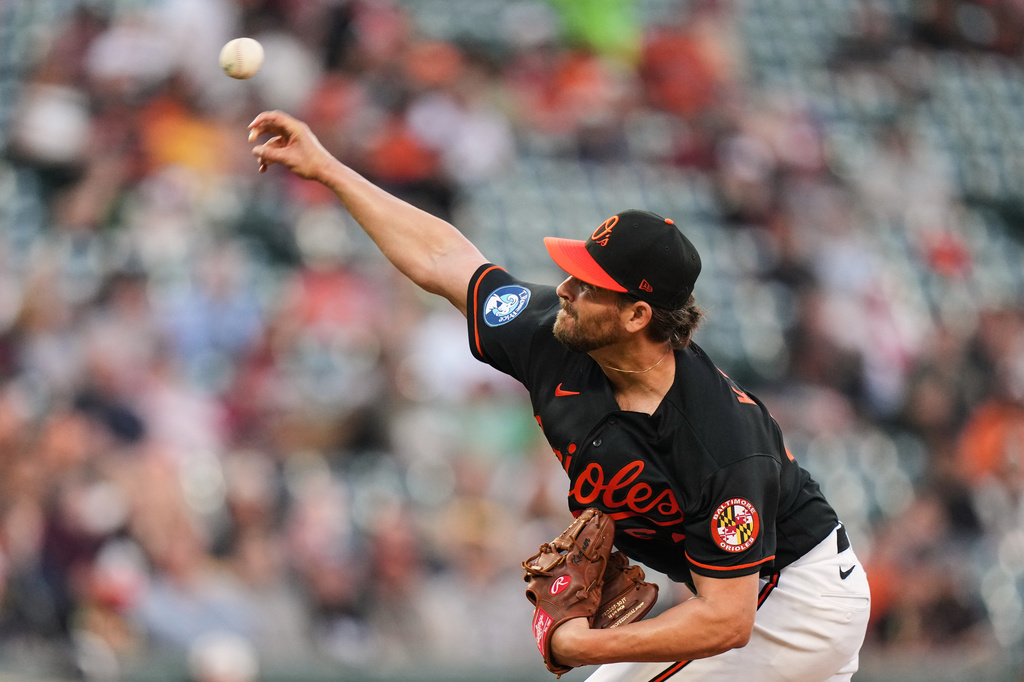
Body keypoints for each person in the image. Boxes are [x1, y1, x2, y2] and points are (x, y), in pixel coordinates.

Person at [247, 110, 871, 681]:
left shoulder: (720, 441)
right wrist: (327, 170)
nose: (567, 287)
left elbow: (726, 622)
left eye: (591, 283)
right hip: (760, 594)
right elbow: (445, 260)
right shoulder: (553, 335)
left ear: (636, 316)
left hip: (795, 597)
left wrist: (574, 645)